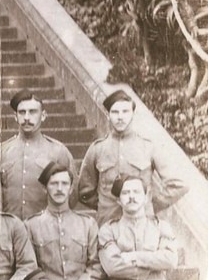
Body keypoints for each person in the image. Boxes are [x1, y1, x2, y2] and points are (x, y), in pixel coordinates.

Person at [24, 164, 107, 280]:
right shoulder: (31, 225)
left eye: (64, 184)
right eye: (54, 184)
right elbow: (29, 267)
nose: (59, 188)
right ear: (45, 188)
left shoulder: (87, 224)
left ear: (71, 189)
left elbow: (96, 266)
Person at [77, 88, 191, 221]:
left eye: (125, 111)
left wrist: (149, 204)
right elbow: (84, 192)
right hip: (108, 224)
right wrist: (105, 207)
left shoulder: (148, 147)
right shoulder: (97, 149)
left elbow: (179, 184)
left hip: (142, 224)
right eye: (115, 112)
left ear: (133, 114)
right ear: (108, 115)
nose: (120, 117)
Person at [0, 94, 72, 222]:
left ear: (43, 115)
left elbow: (71, 194)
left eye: (32, 112)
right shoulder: (1, 151)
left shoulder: (58, 151)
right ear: (15, 116)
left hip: (45, 227)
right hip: (10, 226)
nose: (26, 118)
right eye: (22, 112)